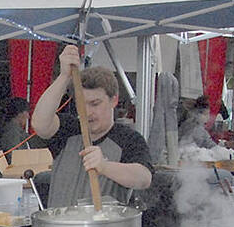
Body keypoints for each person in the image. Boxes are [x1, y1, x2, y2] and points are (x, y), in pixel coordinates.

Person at [31, 45, 153, 208]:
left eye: (95, 104)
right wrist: (64, 76)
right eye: (82, 104)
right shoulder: (69, 130)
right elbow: (40, 123)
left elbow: (144, 178)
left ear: (113, 100)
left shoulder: (128, 139)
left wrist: (104, 166)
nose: (88, 112)